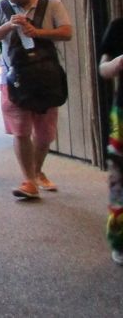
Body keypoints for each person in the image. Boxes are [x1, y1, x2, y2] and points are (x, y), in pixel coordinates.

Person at [0, 0, 73, 200]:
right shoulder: (1, 8)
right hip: (13, 78)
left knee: (44, 135)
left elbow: (67, 32)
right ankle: (29, 181)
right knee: (20, 130)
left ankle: (36, 171)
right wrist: (8, 26)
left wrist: (37, 32)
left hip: (45, 76)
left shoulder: (51, 4)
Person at [97, 13, 123, 265]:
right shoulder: (118, 26)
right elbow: (103, 67)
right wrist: (116, 64)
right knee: (120, 178)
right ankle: (120, 239)